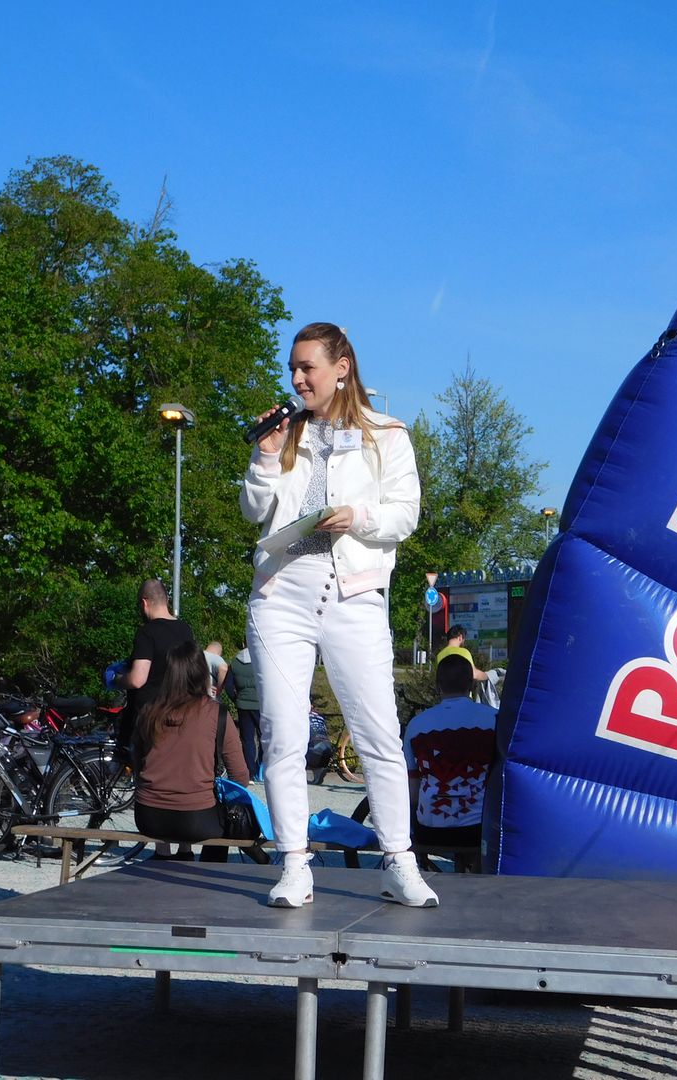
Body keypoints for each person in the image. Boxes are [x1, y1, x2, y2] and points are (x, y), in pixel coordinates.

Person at [240, 321, 437, 908]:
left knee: (378, 733)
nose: (298, 379)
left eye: (309, 368)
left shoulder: (386, 434)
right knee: (283, 734)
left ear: (342, 367)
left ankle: (399, 862)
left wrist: (357, 516)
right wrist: (265, 457)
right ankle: (294, 864)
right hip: (281, 594)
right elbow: (253, 511)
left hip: (353, 593)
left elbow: (405, 514)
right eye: (293, 369)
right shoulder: (285, 434)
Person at [132, 642, 251, 862]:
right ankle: (208, 870)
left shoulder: (149, 711)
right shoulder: (216, 713)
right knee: (228, 818)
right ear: (202, 673)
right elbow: (240, 776)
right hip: (196, 819)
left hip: (148, 816)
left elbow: (138, 764)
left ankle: (166, 853)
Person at [403, 654, 496, 870]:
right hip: (479, 830)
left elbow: (413, 790)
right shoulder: (495, 719)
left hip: (430, 830)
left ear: (438, 686)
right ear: (471, 684)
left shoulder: (416, 725)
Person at [118, 578, 195, 754]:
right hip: (180, 711)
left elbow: (137, 679)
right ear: (166, 600)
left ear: (144, 603)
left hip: (151, 716)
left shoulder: (147, 632)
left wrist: (117, 679)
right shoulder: (185, 629)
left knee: (147, 766)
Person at [226, 644, 262, 779]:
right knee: (264, 737)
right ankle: (262, 769)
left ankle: (250, 772)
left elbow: (228, 686)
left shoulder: (235, 662)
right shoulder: (260, 659)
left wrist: (236, 699)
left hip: (243, 706)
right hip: (261, 705)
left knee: (247, 740)